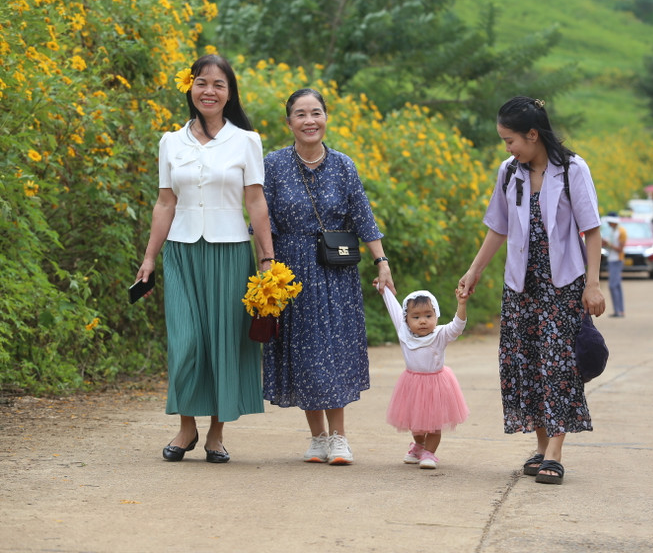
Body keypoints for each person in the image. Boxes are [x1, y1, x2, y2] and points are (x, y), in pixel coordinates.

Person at [458, 96, 606, 486]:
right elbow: (497, 227)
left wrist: (592, 284)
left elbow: (592, 231)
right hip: (520, 287)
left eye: (511, 140)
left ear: (532, 134)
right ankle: (541, 448)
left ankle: (555, 454)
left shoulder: (572, 169)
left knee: (558, 366)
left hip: (563, 286)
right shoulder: (509, 172)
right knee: (526, 365)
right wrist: (474, 271)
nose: (507, 148)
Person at [135, 54, 274, 464]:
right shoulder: (170, 141)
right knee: (186, 342)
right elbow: (164, 204)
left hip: (231, 253)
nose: (208, 91)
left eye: (218, 85)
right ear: (190, 88)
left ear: (229, 94)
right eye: (201, 83)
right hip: (180, 252)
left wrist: (267, 258)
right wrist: (149, 258)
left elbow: (256, 201)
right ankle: (185, 425)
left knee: (223, 342)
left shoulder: (246, 141)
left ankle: (215, 433)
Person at [261, 88, 395, 465]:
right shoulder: (272, 164)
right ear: (288, 122)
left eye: (316, 113)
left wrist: (381, 262)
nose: (309, 121)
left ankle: (339, 437)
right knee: (303, 351)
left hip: (335, 271)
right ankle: (317, 437)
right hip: (290, 271)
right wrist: (266, 266)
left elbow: (363, 217)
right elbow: (262, 219)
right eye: (300, 114)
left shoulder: (343, 165)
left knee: (332, 351)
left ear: (326, 118)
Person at [377, 286, 470, 470]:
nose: (422, 321)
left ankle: (429, 453)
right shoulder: (403, 333)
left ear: (436, 315)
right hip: (412, 384)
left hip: (436, 384)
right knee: (416, 423)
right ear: (406, 319)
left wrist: (461, 304)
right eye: (416, 317)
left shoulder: (441, 334)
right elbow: (394, 309)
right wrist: (384, 289)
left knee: (434, 424)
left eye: (428, 315)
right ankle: (419, 445)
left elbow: (458, 326)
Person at [602, 212, 626, 318]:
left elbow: (620, 249)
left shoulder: (621, 232)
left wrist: (609, 244)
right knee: (617, 286)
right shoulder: (613, 231)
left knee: (613, 285)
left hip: (617, 260)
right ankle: (620, 310)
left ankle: (618, 311)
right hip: (612, 259)